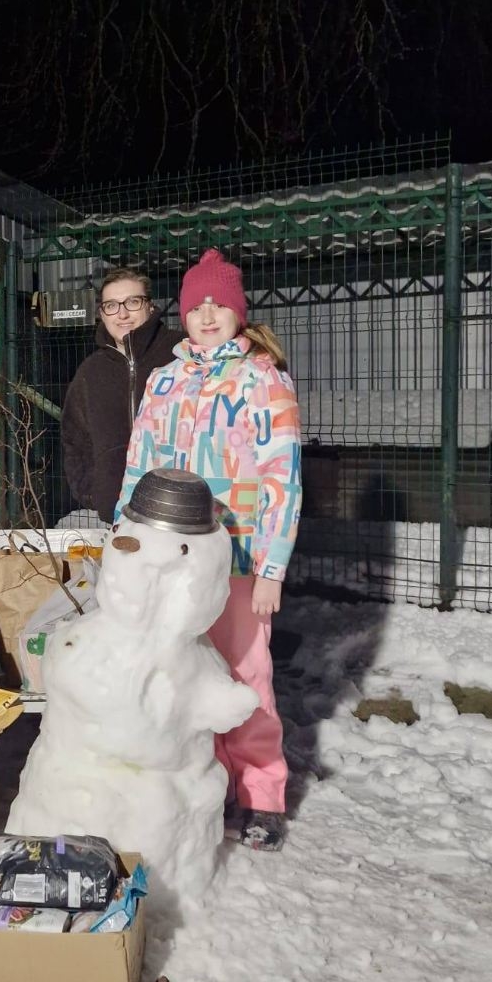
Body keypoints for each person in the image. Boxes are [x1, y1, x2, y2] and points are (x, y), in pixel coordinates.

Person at [115, 249, 303, 851]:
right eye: (197, 304)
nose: (207, 313)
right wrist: (124, 540)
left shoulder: (262, 376)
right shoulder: (163, 378)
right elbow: (138, 462)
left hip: (240, 559)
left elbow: (284, 477)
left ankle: (261, 794)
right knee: (182, 673)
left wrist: (272, 569)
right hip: (170, 557)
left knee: (246, 676)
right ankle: (208, 780)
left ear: (239, 312)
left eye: (219, 303)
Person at [62, 267, 176, 525]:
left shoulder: (179, 355)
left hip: (179, 509)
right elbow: (74, 438)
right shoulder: (91, 371)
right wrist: (93, 492)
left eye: (132, 302)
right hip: (116, 513)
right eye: (111, 306)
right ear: (102, 313)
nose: (122, 313)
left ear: (150, 306)